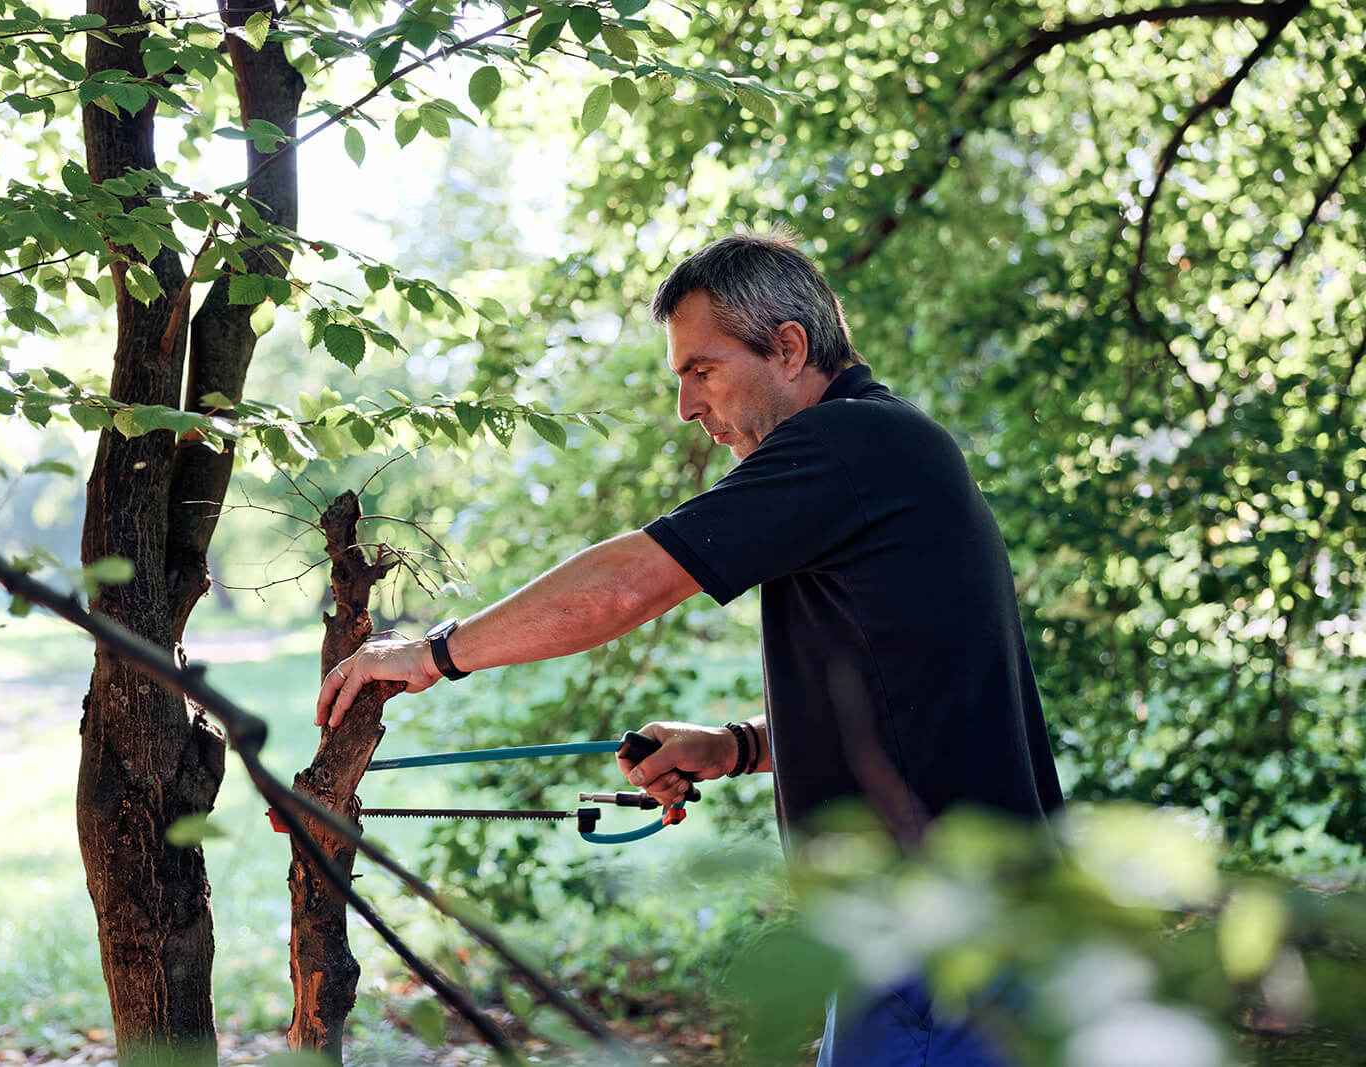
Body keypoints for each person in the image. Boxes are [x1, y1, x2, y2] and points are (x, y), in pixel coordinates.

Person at [315, 232, 1063, 1065]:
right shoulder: (878, 456)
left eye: (700, 371)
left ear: (788, 347)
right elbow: (910, 704)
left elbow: (627, 585)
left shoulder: (852, 446)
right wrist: (734, 746)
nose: (687, 406)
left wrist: (430, 653)